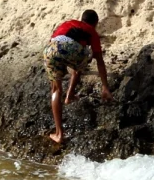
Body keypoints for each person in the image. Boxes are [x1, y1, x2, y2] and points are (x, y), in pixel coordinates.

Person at [42, 9, 112, 145]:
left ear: (81, 19)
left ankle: (59, 134)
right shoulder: (91, 31)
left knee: (55, 90)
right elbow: (99, 60)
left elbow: (53, 39)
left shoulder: (67, 23)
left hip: (50, 49)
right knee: (79, 63)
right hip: (73, 50)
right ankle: (69, 96)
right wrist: (105, 87)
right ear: (95, 23)